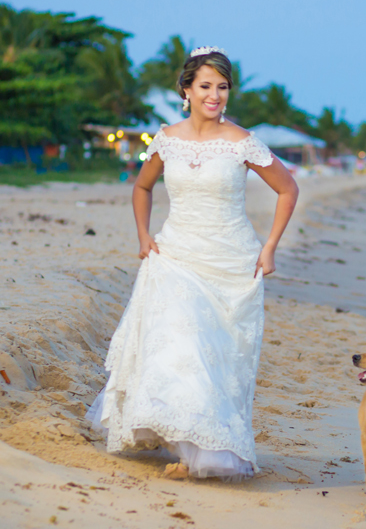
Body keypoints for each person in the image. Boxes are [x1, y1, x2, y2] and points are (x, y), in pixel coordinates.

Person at [86, 46, 299, 481]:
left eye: (222, 87)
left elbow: (288, 188)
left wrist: (270, 246)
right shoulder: (166, 139)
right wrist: (144, 237)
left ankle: (200, 446)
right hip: (175, 254)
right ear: (186, 89)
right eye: (206, 86)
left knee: (216, 357)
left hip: (230, 261)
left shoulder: (243, 142)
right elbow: (142, 187)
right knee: (176, 346)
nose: (215, 95)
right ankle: (180, 442)